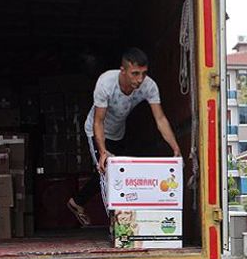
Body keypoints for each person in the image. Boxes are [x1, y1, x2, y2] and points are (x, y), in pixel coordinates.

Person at [67, 48, 182, 224]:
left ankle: (77, 201)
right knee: (107, 173)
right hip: (96, 131)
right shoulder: (106, 83)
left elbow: (160, 119)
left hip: (119, 134)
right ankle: (117, 226)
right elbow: (99, 121)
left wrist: (175, 148)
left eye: (143, 74)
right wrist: (103, 151)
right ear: (123, 70)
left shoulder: (149, 86)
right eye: (135, 74)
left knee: (117, 174)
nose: (139, 79)